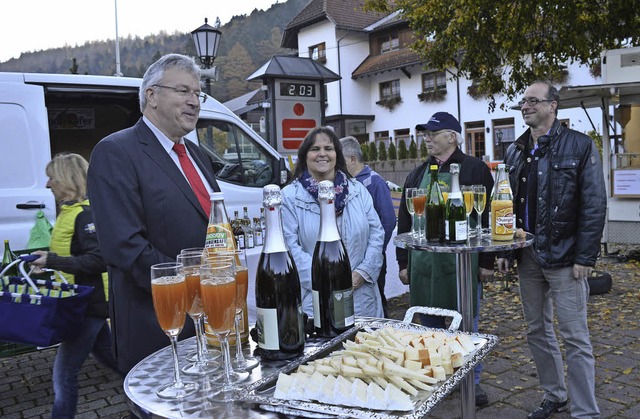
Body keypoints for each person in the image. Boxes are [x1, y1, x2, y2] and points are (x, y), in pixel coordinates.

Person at [87, 54, 221, 374]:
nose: (194, 102)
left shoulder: (196, 154)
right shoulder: (116, 151)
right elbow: (125, 246)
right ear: (152, 95)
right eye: (183, 91)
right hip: (159, 323)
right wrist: (194, 287)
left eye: (197, 94)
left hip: (211, 315)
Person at [497, 81, 606, 419]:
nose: (525, 106)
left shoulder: (580, 146)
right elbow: (506, 206)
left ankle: (586, 411)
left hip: (566, 256)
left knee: (575, 336)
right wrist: (504, 250)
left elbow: (594, 204)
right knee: (536, 330)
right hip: (527, 254)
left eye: (533, 100)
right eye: (523, 101)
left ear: (553, 106)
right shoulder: (515, 151)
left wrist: (585, 257)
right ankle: (554, 394)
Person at [396, 112, 494, 406]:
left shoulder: (475, 169)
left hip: (461, 265)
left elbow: (487, 215)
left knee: (466, 326)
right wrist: (403, 262)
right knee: (426, 326)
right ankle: (434, 379)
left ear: (452, 137)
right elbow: (404, 218)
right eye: (425, 133)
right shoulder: (417, 174)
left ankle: (470, 382)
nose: (426, 138)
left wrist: (487, 263)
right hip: (424, 265)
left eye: (432, 133)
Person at [30, 153, 118, 418]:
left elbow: (99, 260)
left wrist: (54, 260)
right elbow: (75, 256)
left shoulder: (85, 215)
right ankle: (152, 400)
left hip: (85, 305)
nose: (48, 185)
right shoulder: (70, 212)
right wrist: (47, 262)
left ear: (67, 180)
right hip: (79, 303)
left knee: (64, 375)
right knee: (113, 359)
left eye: (52, 178)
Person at [281, 127, 385, 318]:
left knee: (364, 346)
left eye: (328, 148)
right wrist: (326, 281)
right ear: (305, 155)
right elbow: (289, 248)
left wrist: (362, 273)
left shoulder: (358, 190)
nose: (322, 154)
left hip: (361, 298)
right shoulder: (289, 197)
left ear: (337, 154)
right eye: (315, 149)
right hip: (316, 301)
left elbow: (376, 234)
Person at [340, 135, 396, 317]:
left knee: (376, 297)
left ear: (351, 159)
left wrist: (375, 250)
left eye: (339, 160)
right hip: (356, 260)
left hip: (372, 258)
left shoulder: (375, 182)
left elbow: (387, 221)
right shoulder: (344, 184)